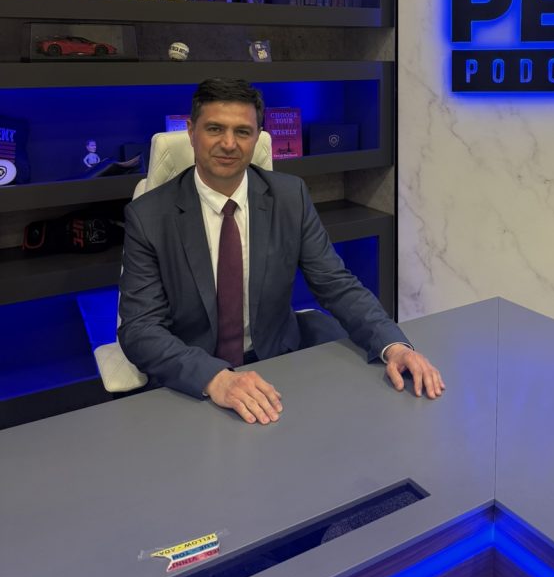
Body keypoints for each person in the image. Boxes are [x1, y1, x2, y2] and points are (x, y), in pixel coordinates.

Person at [118, 78, 444, 424]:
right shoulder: (148, 216)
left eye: (242, 132)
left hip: (279, 362)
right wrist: (214, 378)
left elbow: (336, 283)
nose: (228, 143)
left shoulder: (290, 197)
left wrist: (394, 345)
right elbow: (139, 327)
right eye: (214, 129)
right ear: (190, 131)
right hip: (195, 376)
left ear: (258, 137)